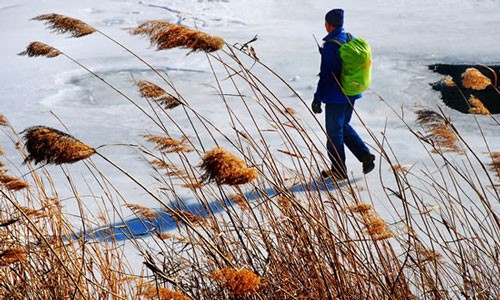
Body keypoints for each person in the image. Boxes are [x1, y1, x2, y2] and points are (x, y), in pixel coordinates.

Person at [311, 8, 375, 180]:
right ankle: (365, 156)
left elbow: (328, 75)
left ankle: (338, 171)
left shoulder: (332, 46)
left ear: (329, 25)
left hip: (337, 96)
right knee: (343, 126)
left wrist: (317, 97)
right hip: (352, 93)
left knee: (333, 134)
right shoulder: (348, 38)